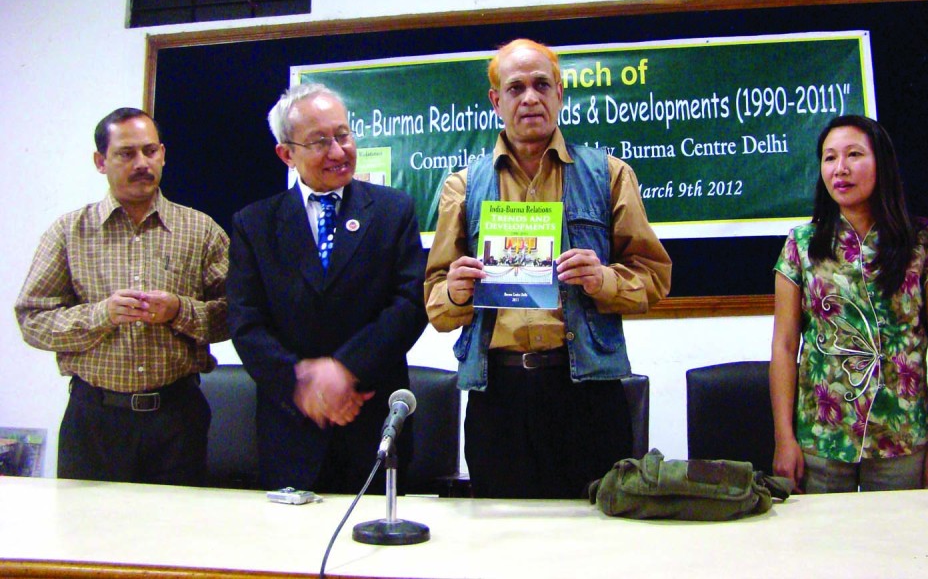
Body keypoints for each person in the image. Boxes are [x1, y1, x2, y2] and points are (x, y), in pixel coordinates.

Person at [424, 38, 673, 499]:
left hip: (586, 394)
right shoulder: (463, 186)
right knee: (501, 545)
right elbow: (436, 302)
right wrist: (457, 291)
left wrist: (605, 280)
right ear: (496, 101)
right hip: (497, 396)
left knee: (595, 548)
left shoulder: (610, 174)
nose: (531, 98)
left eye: (542, 84)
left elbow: (654, 276)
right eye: (516, 88)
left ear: (561, 93)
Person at [227, 83, 427, 493]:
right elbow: (245, 322)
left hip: (373, 420)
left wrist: (344, 371)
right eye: (320, 142)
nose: (338, 151)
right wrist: (303, 384)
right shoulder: (254, 224)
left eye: (343, 135)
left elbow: (410, 304)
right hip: (291, 426)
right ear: (287, 153)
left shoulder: (393, 210)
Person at [14, 107, 230, 486]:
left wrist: (180, 311)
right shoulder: (68, 233)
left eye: (150, 151)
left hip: (177, 418)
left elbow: (237, 314)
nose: (142, 163)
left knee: (174, 538)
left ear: (163, 154)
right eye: (126, 153)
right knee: (86, 539)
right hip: (94, 419)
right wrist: (102, 315)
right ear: (101, 161)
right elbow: (33, 320)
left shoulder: (201, 230)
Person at [770, 114, 928, 493]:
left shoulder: (926, 242)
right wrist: (784, 438)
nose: (840, 169)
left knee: (901, 550)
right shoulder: (801, 244)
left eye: (854, 154)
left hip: (903, 437)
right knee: (823, 550)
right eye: (829, 158)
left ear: (882, 163)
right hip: (822, 441)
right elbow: (785, 345)